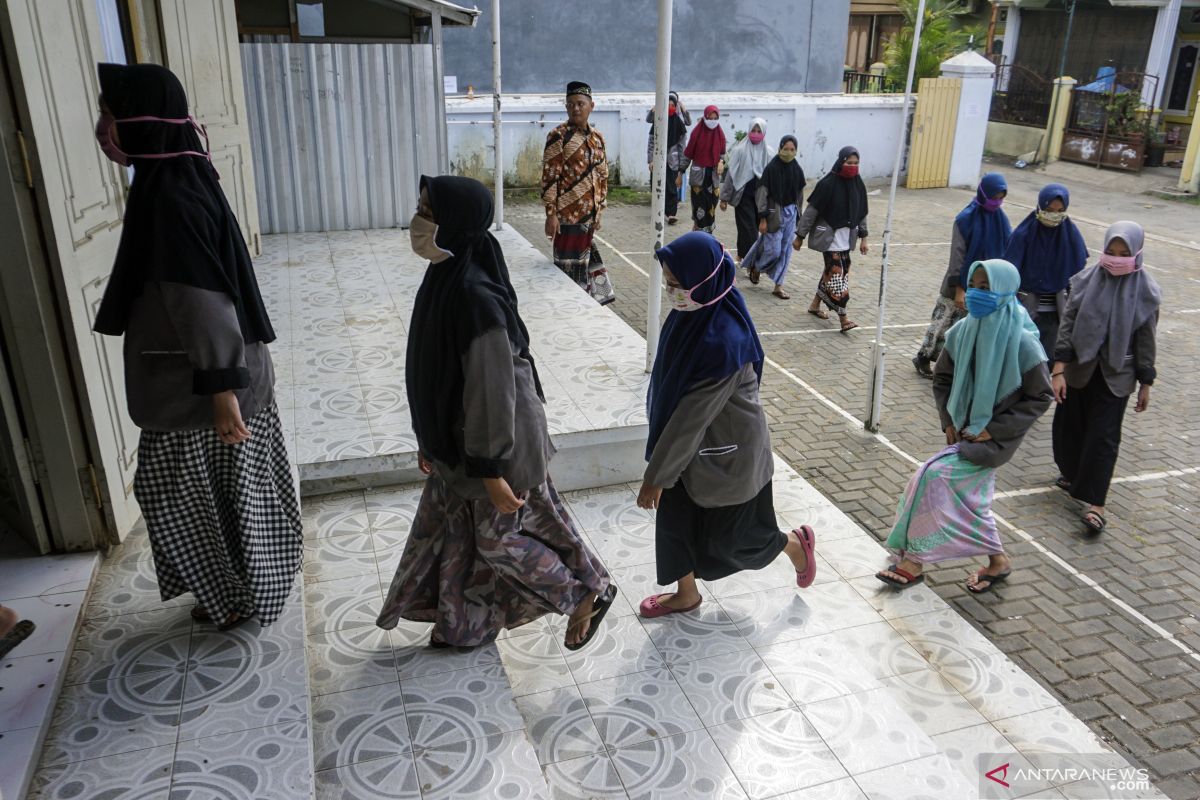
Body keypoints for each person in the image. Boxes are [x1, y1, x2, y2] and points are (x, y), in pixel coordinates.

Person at [92, 63, 300, 631]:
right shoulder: (180, 178)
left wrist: (221, 391)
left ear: (140, 122)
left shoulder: (170, 203)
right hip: (214, 378)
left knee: (185, 499)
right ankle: (233, 591)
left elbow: (201, 301)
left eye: (110, 114)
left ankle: (233, 598)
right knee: (224, 496)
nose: (104, 126)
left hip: (203, 388)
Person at [378, 175, 616, 651]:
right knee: (475, 529)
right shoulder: (451, 272)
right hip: (470, 437)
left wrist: (489, 469)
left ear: (455, 223)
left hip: (498, 441)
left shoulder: (473, 296)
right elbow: (436, 373)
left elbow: (492, 391)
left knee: (497, 540)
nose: (419, 220)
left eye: (429, 211)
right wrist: (430, 439)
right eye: (421, 207)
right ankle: (466, 623)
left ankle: (581, 595)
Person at [636, 232, 817, 617]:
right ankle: (686, 594)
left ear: (704, 282)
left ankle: (794, 545)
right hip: (689, 451)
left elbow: (690, 419)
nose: (672, 292)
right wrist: (665, 472)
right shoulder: (692, 315)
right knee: (673, 518)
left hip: (728, 457)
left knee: (736, 541)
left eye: (676, 284)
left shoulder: (724, 345)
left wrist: (657, 474)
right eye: (669, 283)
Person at [878, 260, 1052, 593]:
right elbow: (942, 378)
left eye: (987, 288)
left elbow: (1040, 396)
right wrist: (948, 421)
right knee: (971, 500)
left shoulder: (1024, 343)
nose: (976, 294)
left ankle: (914, 559)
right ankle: (998, 562)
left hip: (992, 440)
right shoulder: (962, 331)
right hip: (962, 432)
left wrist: (994, 429)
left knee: (933, 477)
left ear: (1005, 291)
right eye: (974, 285)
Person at [1051, 221, 1159, 535]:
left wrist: (1146, 381)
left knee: (1104, 438)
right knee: (1069, 428)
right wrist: (1059, 370)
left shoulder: (1146, 291)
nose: (1115, 258)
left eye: (1123, 253)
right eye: (1110, 252)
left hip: (1117, 376)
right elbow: (1067, 327)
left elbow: (1146, 340)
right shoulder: (1085, 281)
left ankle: (1096, 504)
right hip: (1079, 371)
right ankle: (1071, 474)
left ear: (1136, 253)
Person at [913, 172, 1012, 378]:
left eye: (1001, 197)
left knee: (962, 329)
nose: (997, 202)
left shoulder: (1001, 220)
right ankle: (923, 356)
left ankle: (947, 364)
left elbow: (1005, 252)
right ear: (984, 193)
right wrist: (960, 289)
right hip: (958, 284)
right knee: (941, 323)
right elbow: (957, 257)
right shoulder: (965, 219)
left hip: (985, 286)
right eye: (994, 196)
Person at [542, 81, 613, 305]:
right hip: (566, 218)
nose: (575, 108)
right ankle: (570, 309)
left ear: (591, 105)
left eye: (580, 104)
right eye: (571, 104)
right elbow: (550, 177)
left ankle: (586, 306)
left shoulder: (597, 138)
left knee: (583, 268)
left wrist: (599, 210)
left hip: (588, 217)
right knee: (568, 273)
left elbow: (602, 176)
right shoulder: (558, 137)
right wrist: (550, 214)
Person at [1003, 183, 1088, 359]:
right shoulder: (1023, 234)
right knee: (1021, 354)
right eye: (1049, 209)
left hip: (1056, 310)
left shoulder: (1070, 235)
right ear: (1040, 206)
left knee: (1047, 356)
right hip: (1025, 307)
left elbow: (1079, 271)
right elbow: (1009, 271)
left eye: (1060, 210)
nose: (1054, 215)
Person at [796, 146, 870, 333]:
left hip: (847, 240)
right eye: (849, 162)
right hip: (829, 239)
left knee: (833, 273)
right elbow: (811, 212)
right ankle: (844, 318)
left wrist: (864, 237)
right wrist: (799, 236)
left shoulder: (857, 184)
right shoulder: (828, 184)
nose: (852, 166)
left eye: (856, 163)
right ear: (841, 161)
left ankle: (815, 305)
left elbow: (861, 213)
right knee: (838, 276)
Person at [742, 136, 806, 300]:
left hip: (791, 213)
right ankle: (757, 267)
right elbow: (762, 194)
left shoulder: (797, 169)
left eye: (792, 150)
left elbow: (799, 194)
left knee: (785, 251)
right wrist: (762, 218)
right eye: (786, 149)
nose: (789, 153)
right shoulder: (772, 169)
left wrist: (799, 217)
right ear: (779, 149)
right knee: (773, 250)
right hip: (773, 214)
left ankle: (778, 285)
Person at [720, 119, 774, 263]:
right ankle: (753, 262)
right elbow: (731, 174)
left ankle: (742, 254)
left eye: (759, 131)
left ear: (764, 133)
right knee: (748, 228)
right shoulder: (740, 150)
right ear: (749, 131)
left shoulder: (768, 153)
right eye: (753, 131)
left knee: (751, 228)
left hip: (761, 198)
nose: (756, 134)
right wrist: (724, 198)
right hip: (742, 196)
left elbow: (774, 178)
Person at [646, 91, 690, 224]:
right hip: (658, 160)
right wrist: (651, 160)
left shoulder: (679, 125)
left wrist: (681, 168)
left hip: (673, 161)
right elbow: (651, 142)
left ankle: (671, 214)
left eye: (672, 105)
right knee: (657, 186)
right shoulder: (658, 121)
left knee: (671, 188)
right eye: (667, 105)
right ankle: (658, 212)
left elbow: (682, 147)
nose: (670, 107)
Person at [681, 105, 726, 233]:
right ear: (705, 117)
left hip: (713, 178)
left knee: (711, 210)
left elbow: (722, 154)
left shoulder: (720, 134)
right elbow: (688, 154)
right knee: (699, 210)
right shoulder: (697, 133)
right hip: (698, 179)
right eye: (710, 118)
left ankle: (707, 235)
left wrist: (721, 161)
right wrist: (680, 172)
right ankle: (699, 235)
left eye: (715, 118)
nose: (712, 121)